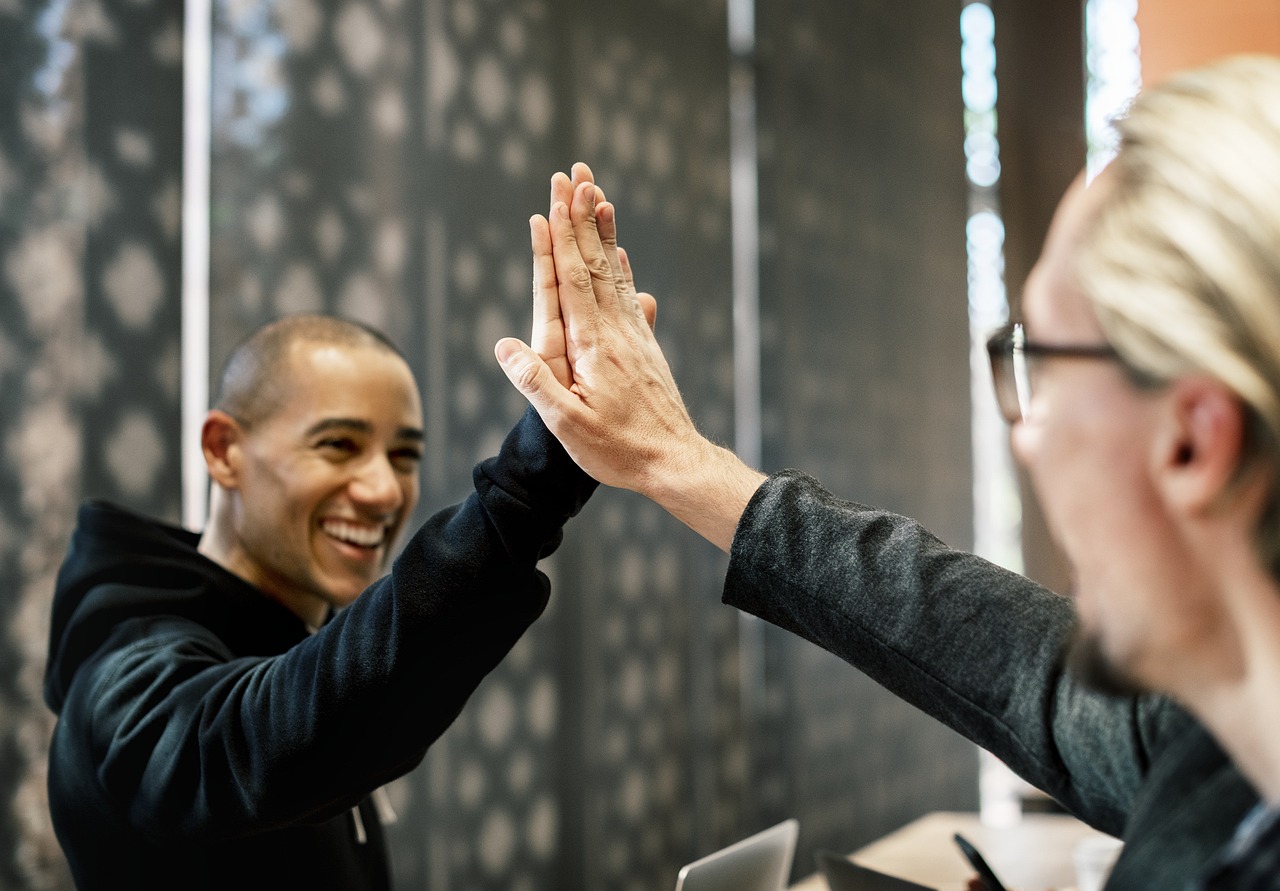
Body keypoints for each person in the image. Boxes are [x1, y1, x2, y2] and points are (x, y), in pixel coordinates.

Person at [495, 55, 1280, 889]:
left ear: (1193, 443)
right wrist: (676, 462)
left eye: (1038, 366)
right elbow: (1009, 658)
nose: (1025, 436)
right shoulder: (1222, 740)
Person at [44, 310, 601, 888]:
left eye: (403, 456)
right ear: (223, 451)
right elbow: (252, 745)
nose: (384, 491)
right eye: (338, 445)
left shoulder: (295, 638)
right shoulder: (119, 676)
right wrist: (526, 492)